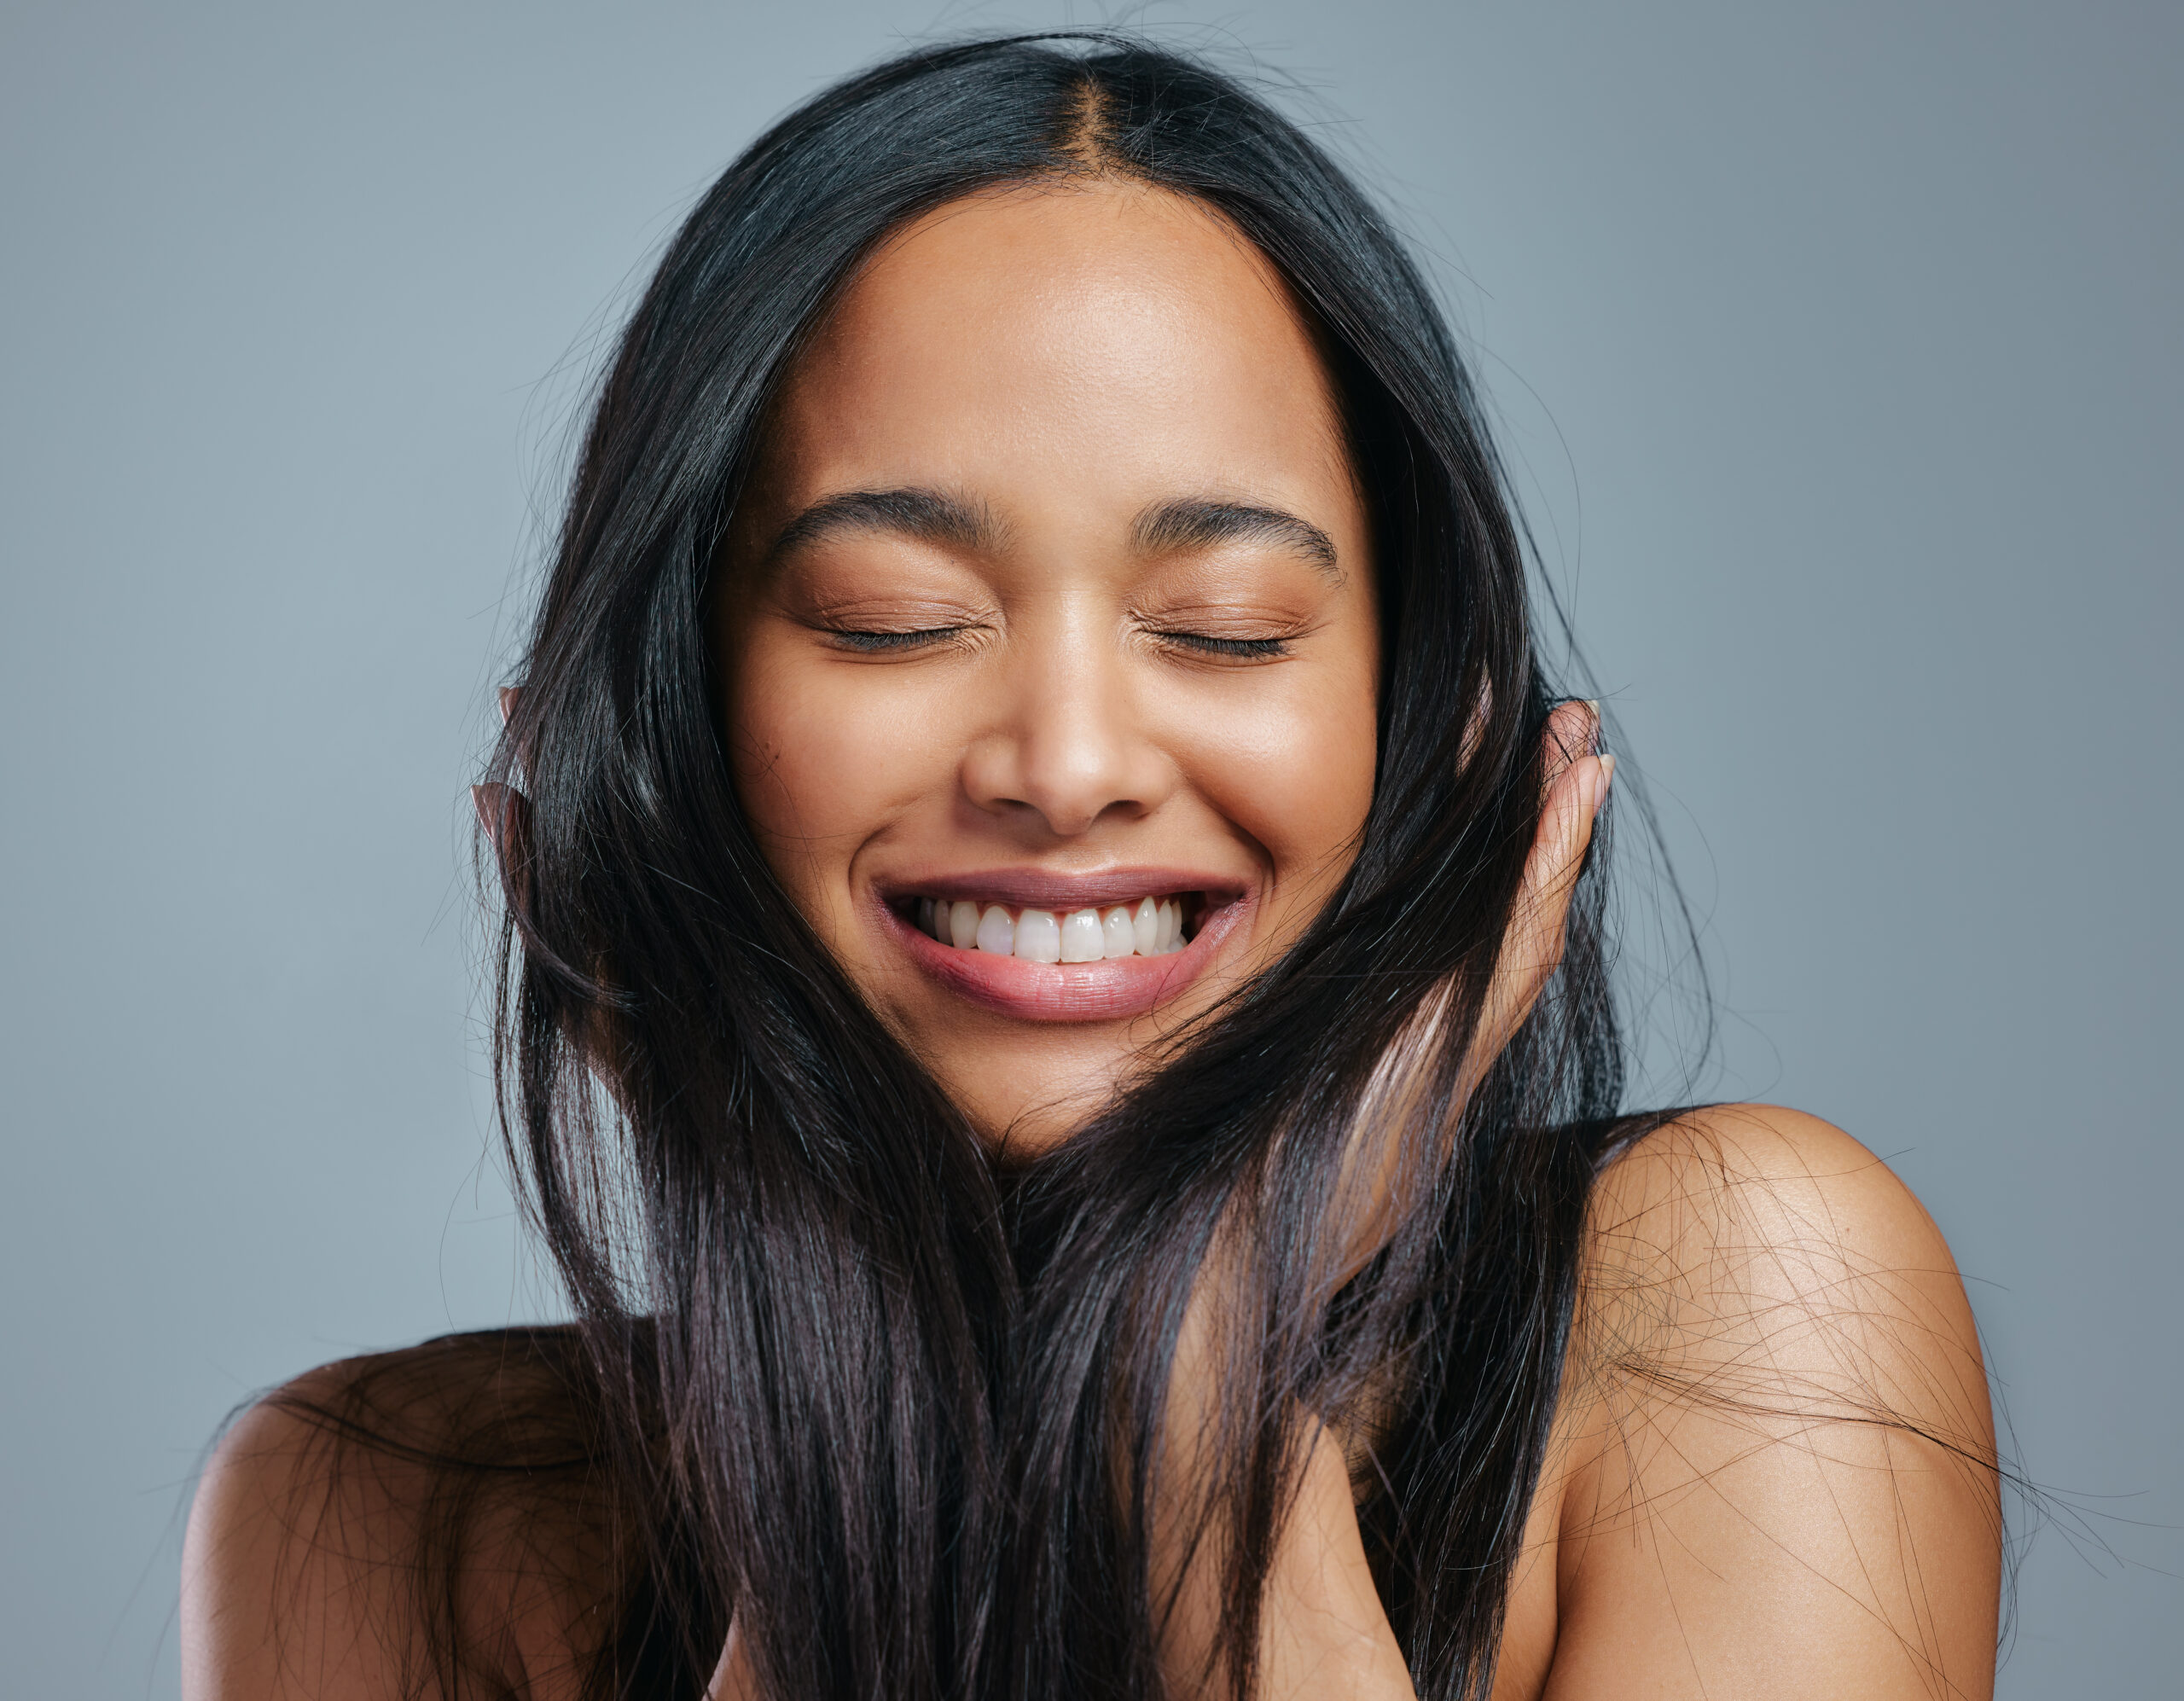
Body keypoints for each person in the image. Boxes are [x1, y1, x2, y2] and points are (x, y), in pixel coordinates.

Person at [180, 32, 2000, 1701]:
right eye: (893, 620)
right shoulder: (380, 1518)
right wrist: (858, 1338)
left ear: (1424, 724)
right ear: (665, 728)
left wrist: (1208, 1399)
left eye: (1217, 625)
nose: (1064, 770)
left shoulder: (1743, 1308)